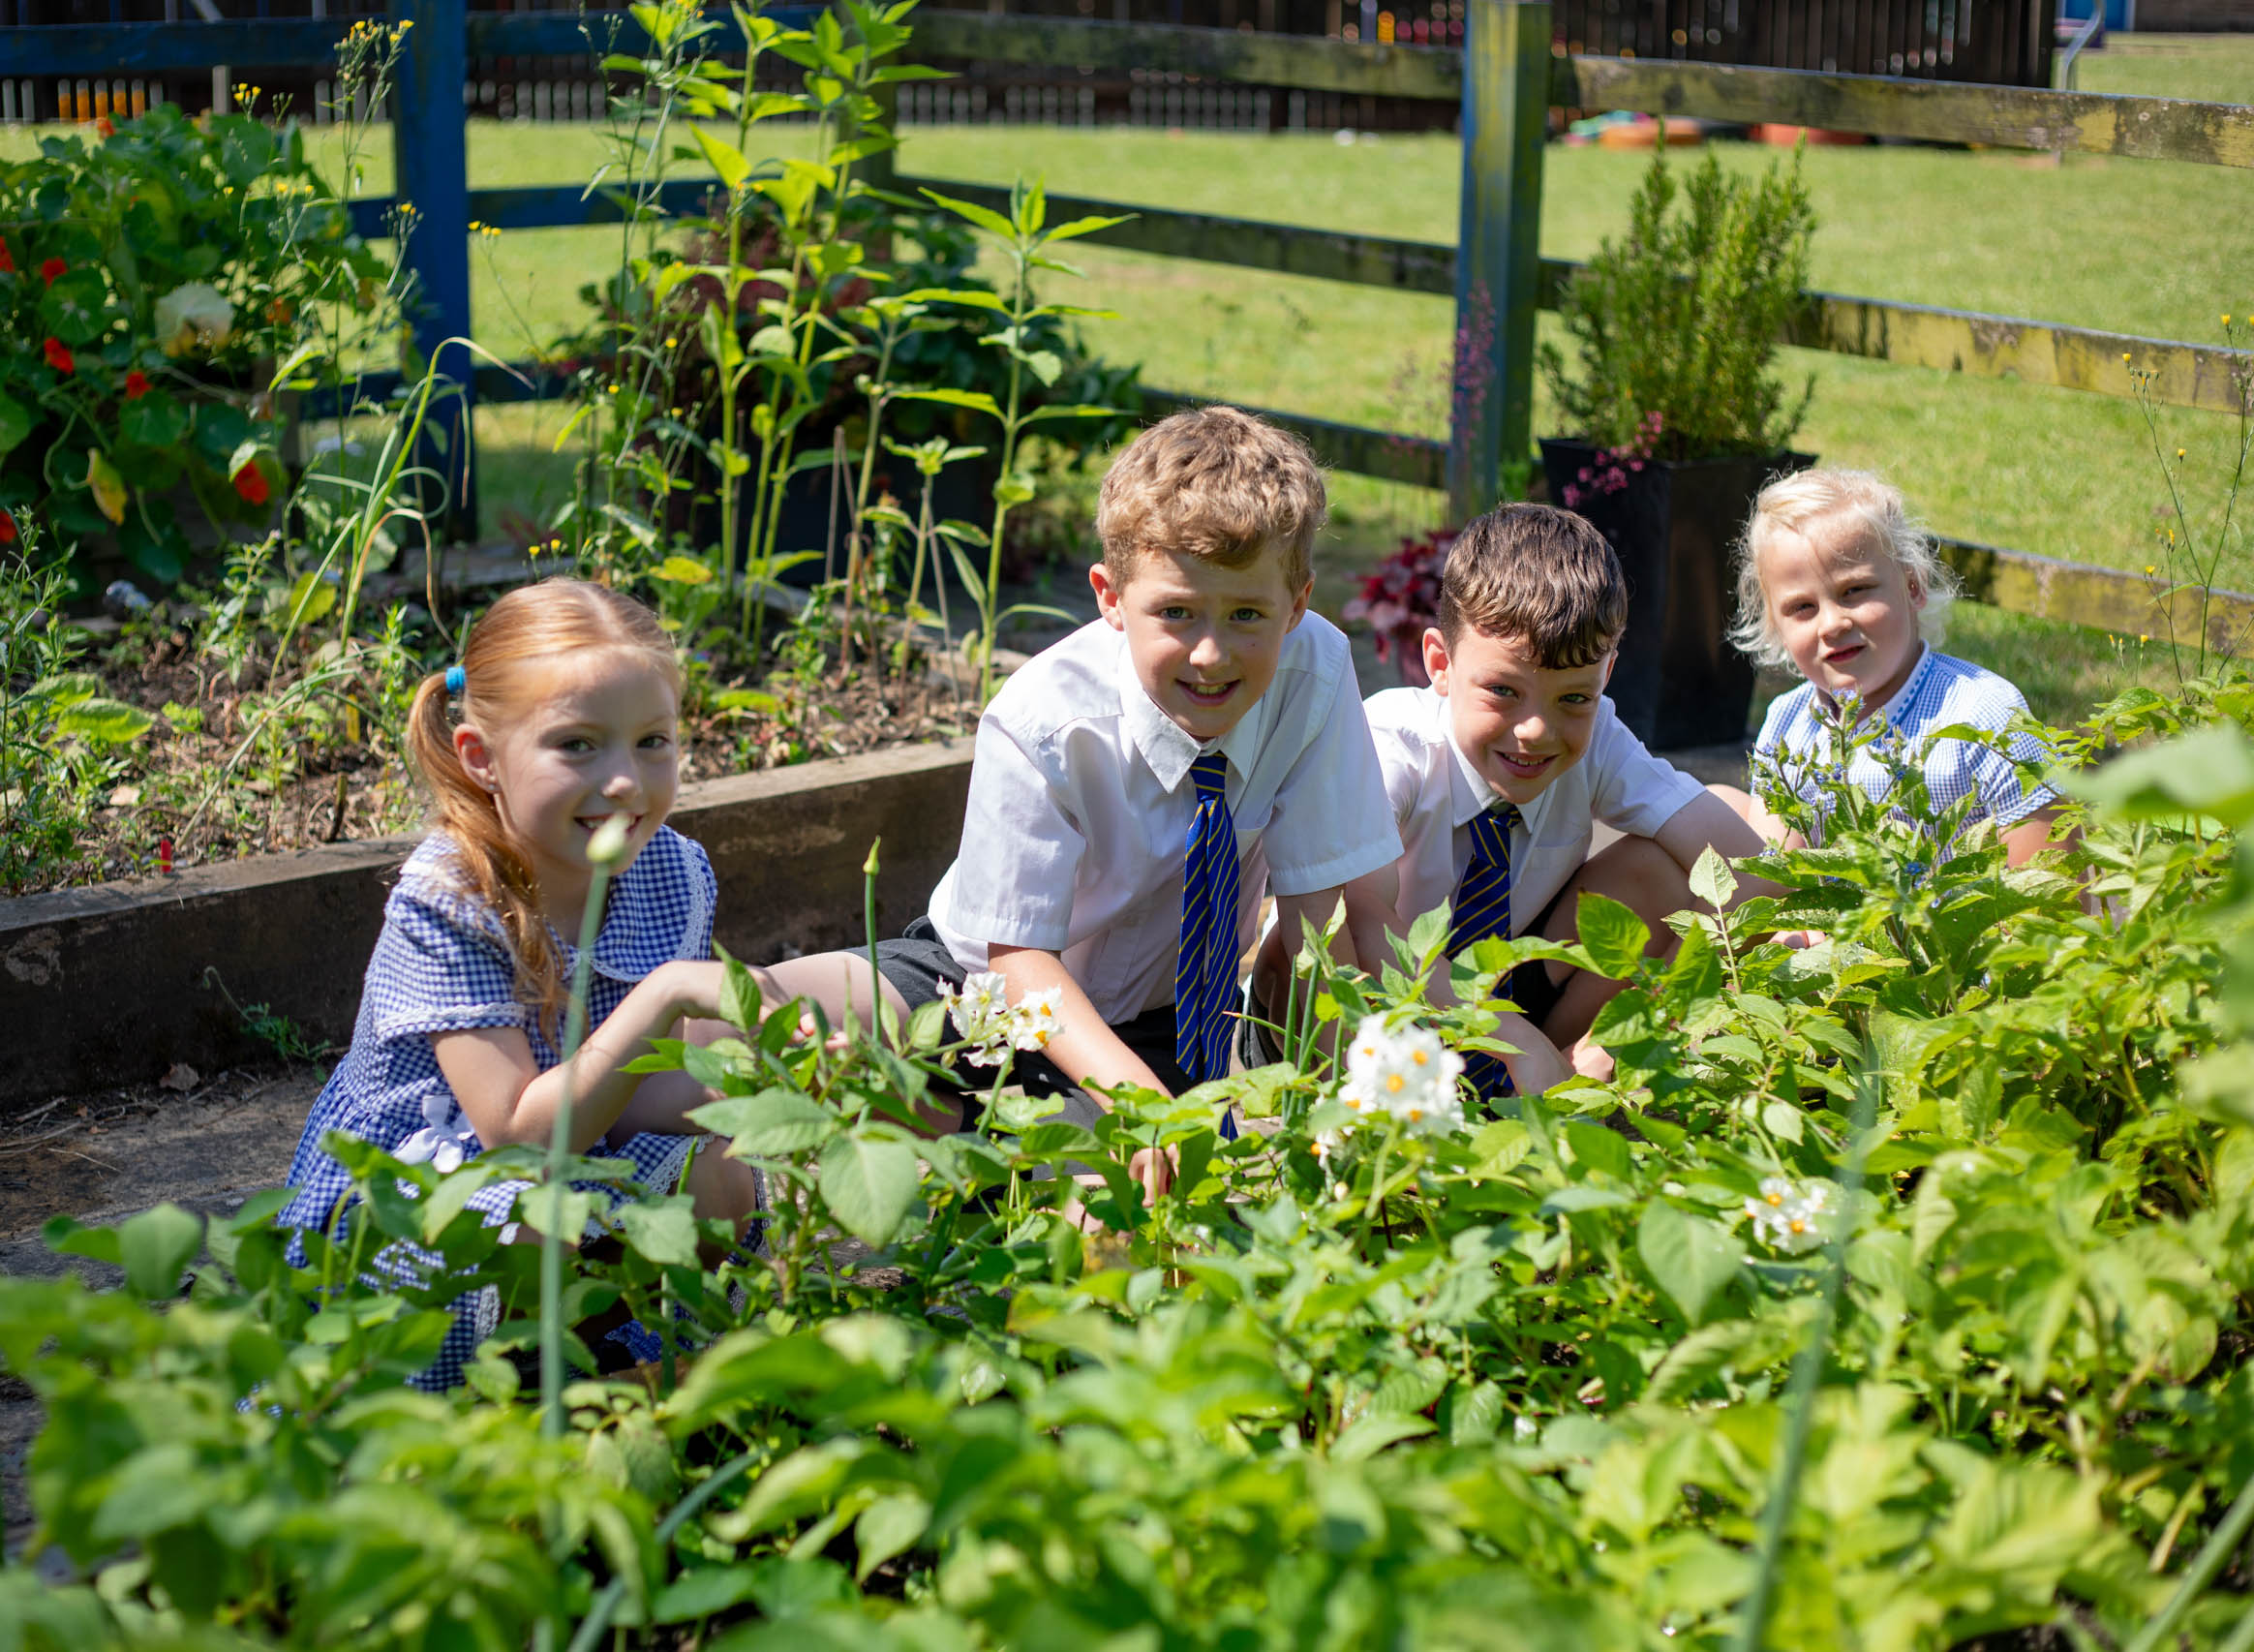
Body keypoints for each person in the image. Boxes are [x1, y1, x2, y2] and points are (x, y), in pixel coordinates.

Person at [278, 579, 881, 1386]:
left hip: (580, 1136)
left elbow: (633, 1090)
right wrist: (665, 993)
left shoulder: (668, 869)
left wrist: (768, 1083)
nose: (625, 780)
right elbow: (517, 1139)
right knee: (540, 1224)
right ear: (481, 758)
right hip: (437, 1184)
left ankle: (607, 1364)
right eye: (578, 745)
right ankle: (490, 1385)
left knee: (725, 1174)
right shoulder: (454, 899)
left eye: (653, 742)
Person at [874, 406, 1402, 1193]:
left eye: (1247, 614)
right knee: (782, 1032)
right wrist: (1134, 1101)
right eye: (1176, 613)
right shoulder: (1042, 720)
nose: (1211, 653)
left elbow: (1317, 930)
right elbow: (1016, 958)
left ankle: (983, 1147)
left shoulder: (1315, 672)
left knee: (1125, 1200)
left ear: (1297, 604)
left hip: (1166, 1027)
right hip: (976, 992)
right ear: (1111, 597)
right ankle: (945, 1124)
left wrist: (1364, 1117)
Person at [1338, 504, 1768, 1092]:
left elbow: (1758, 877)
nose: (1535, 730)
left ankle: (1576, 1061)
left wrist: (1641, 1027)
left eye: (1572, 699)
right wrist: (1514, 1038)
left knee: (1668, 868)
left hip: (1513, 988)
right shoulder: (1394, 746)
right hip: (1380, 1006)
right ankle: (1346, 1104)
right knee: (1310, 927)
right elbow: (1361, 920)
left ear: (1607, 674)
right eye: (1502, 691)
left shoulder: (1599, 740)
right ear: (1439, 662)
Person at [1713, 468, 2057, 863]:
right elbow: (1777, 884)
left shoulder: (1985, 716)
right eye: (1802, 607)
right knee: (1710, 808)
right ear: (1775, 624)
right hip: (1832, 925)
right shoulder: (1789, 724)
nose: (1832, 624)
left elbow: (2052, 893)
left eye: (1854, 590)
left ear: (1913, 586)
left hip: (1951, 922)